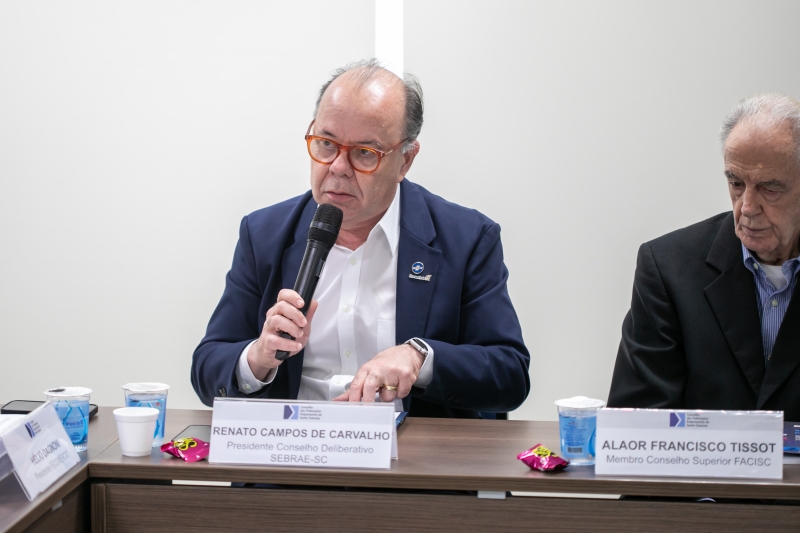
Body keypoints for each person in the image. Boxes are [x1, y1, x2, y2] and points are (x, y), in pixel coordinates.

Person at [191, 59, 530, 418]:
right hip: (292, 460)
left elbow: (509, 374)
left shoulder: (467, 239)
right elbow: (208, 368)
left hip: (411, 464)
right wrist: (258, 356)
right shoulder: (264, 234)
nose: (337, 166)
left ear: (405, 160)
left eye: (364, 153)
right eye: (326, 143)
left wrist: (419, 358)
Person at [608, 93, 800, 420]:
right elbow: (637, 423)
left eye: (770, 188)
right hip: (702, 472)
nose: (748, 208)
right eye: (736, 183)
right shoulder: (668, 268)